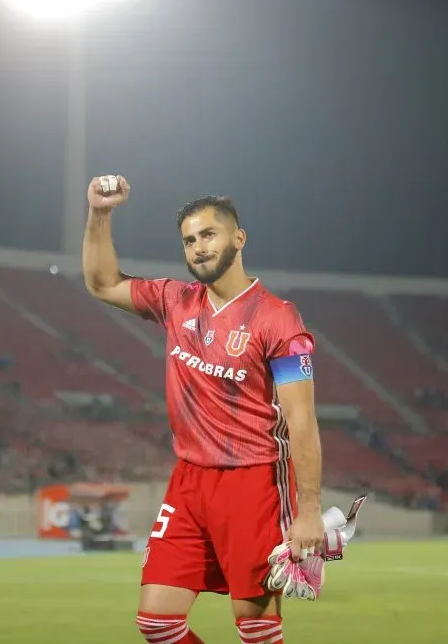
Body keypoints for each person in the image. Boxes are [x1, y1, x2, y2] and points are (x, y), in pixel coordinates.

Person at [83, 176, 324, 644]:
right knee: (157, 622)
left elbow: (302, 420)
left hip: (254, 481)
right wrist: (100, 213)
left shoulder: (279, 319)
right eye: (189, 241)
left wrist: (309, 509)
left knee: (255, 629)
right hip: (190, 480)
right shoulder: (176, 301)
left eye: (208, 234)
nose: (197, 247)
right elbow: (102, 283)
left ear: (239, 237)